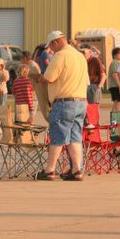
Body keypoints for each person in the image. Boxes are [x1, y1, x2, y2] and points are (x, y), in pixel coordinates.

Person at [36, 31, 89, 181]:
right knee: (75, 137)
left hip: (64, 102)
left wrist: (39, 79)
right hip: (80, 101)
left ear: (56, 42)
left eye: (51, 46)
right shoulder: (80, 56)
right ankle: (76, 170)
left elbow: (49, 77)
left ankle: (49, 170)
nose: (51, 50)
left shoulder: (60, 55)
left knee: (57, 135)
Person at [107, 47, 120, 113]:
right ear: (115, 55)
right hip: (115, 86)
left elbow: (119, 75)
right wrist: (119, 86)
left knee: (117, 102)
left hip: (117, 85)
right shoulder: (114, 62)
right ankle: (117, 118)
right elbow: (115, 75)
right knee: (118, 102)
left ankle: (114, 118)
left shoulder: (118, 63)